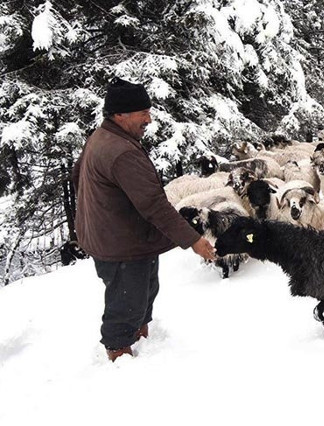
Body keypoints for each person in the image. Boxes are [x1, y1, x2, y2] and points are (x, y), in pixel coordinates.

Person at [72, 77, 216, 362]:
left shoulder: (102, 137)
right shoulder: (121, 151)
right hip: (120, 244)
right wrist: (193, 240)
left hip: (122, 237)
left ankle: (142, 340)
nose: (149, 119)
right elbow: (154, 205)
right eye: (143, 113)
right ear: (120, 114)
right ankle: (120, 357)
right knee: (127, 302)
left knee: (143, 292)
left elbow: (77, 176)